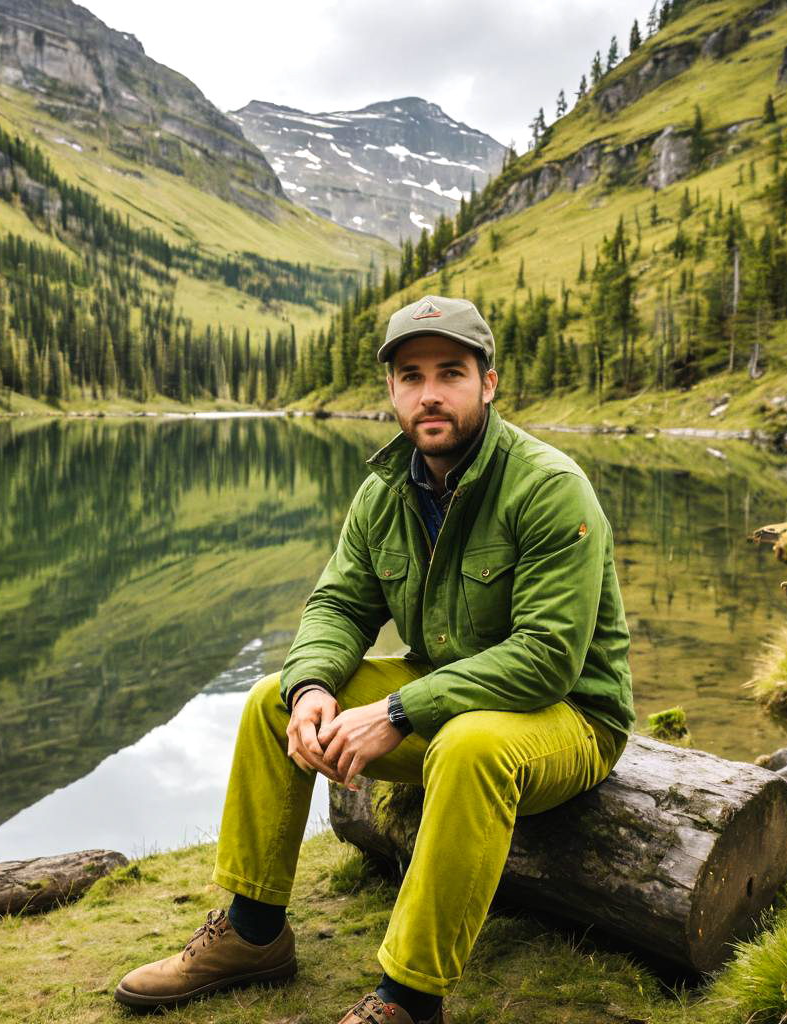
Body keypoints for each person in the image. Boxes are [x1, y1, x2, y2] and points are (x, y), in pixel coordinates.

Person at [114, 295, 634, 1023]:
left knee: (471, 745)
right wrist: (312, 688)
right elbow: (338, 606)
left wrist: (398, 710)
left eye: (450, 372)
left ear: (488, 382)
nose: (429, 393)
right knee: (272, 698)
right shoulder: (385, 491)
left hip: (567, 715)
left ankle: (410, 1000)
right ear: (390, 390)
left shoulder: (547, 487)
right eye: (411, 375)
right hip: (449, 693)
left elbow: (547, 657)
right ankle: (253, 932)